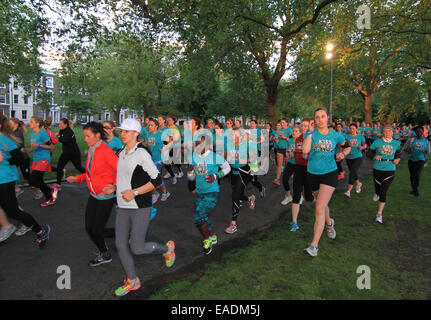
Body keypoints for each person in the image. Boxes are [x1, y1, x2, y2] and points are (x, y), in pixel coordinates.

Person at [102, 118, 175, 297]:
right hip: (122, 205)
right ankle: (133, 280)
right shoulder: (121, 152)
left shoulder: (142, 153)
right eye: (122, 131)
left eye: (127, 131)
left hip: (140, 205)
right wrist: (115, 187)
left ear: (136, 133)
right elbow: (123, 178)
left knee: (137, 247)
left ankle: (167, 249)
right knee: (120, 245)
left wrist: (134, 192)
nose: (123, 134)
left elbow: (156, 180)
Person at [66, 122, 118, 266]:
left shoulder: (106, 151)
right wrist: (78, 178)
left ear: (98, 135)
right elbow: (91, 173)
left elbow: (122, 171)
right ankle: (122, 233)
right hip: (94, 195)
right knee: (90, 228)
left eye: (88, 136)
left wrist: (114, 186)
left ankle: (106, 254)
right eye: (85, 136)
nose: (85, 139)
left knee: (96, 229)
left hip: (106, 197)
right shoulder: (92, 149)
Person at [302, 108, 351, 257]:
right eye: (317, 117)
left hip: (330, 173)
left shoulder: (336, 135)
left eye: (322, 116)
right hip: (313, 174)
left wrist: (343, 153)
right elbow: (305, 151)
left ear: (327, 118)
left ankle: (314, 245)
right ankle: (329, 224)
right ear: (314, 120)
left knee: (319, 208)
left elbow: (348, 146)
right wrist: (309, 132)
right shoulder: (311, 134)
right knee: (322, 205)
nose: (320, 119)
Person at [0, 114, 51, 247]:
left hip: (6, 178)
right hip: (2, 179)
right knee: (9, 208)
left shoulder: (4, 139)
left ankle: (40, 230)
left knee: (13, 210)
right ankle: (8, 227)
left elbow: (19, 157)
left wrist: (4, 159)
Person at [187, 134, 231, 254]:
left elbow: (227, 168)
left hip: (211, 192)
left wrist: (216, 176)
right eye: (196, 144)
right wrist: (190, 171)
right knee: (203, 216)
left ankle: (206, 240)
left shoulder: (214, 157)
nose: (197, 146)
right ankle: (212, 236)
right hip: (199, 192)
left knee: (198, 218)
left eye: (200, 144)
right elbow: (191, 178)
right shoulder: (193, 157)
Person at [369, 124, 401, 224]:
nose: (387, 133)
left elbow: (398, 154)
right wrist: (374, 156)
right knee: (378, 188)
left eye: (389, 131)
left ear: (392, 132)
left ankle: (379, 214)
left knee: (383, 191)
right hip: (378, 168)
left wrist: (397, 159)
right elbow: (369, 153)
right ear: (383, 133)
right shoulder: (377, 142)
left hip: (390, 169)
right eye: (385, 131)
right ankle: (376, 192)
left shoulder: (396, 143)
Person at [23, 116, 57, 207]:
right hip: (36, 159)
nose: (29, 123)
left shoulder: (42, 134)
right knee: (39, 180)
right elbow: (32, 148)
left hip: (43, 159)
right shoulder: (31, 134)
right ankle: (50, 198)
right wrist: (25, 150)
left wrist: (39, 145)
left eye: (31, 122)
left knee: (32, 180)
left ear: (37, 124)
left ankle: (50, 191)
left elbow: (51, 147)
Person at [289, 120, 314, 231]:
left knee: (309, 197)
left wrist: (306, 156)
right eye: (302, 126)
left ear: (309, 127)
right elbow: (296, 153)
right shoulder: (298, 139)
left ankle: (322, 208)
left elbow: (315, 155)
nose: (303, 127)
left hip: (309, 170)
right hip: (298, 168)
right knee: (296, 195)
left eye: (305, 126)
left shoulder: (312, 139)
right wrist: (291, 154)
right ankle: (294, 222)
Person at [52, 118, 85, 191]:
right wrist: (58, 135)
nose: (59, 125)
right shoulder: (62, 130)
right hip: (66, 153)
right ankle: (58, 184)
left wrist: (57, 136)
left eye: (61, 124)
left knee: (78, 167)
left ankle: (90, 176)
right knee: (59, 167)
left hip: (74, 153)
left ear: (66, 125)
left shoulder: (69, 132)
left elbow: (63, 140)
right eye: (59, 123)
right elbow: (61, 136)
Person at [145, 119, 171, 203]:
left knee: (155, 177)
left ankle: (161, 193)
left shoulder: (160, 134)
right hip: (150, 159)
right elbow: (146, 144)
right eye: (149, 125)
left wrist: (164, 149)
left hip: (159, 159)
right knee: (153, 177)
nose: (150, 127)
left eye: (152, 125)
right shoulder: (148, 134)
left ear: (156, 126)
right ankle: (159, 193)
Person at [403, 126, 430, 197]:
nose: (419, 133)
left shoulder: (426, 141)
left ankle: (415, 189)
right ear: (415, 132)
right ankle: (413, 188)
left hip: (421, 159)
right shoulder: (411, 140)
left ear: (422, 132)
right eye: (417, 131)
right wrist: (408, 150)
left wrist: (427, 151)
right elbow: (404, 148)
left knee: (417, 174)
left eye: (420, 131)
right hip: (411, 159)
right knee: (412, 175)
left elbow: (429, 151)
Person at [343, 124, 367, 198]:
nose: (352, 130)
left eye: (353, 128)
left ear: (356, 129)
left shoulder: (360, 136)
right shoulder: (346, 136)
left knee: (352, 172)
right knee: (353, 172)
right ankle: (358, 183)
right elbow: (343, 145)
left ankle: (349, 191)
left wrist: (362, 147)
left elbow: (365, 145)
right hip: (349, 157)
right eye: (350, 128)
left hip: (358, 157)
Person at [9, 118, 30, 196]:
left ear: (16, 125)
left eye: (10, 123)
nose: (9, 124)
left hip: (23, 158)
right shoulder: (12, 132)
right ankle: (17, 188)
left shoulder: (18, 133)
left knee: (27, 177)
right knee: (9, 171)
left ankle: (40, 187)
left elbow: (18, 145)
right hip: (16, 158)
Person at [273, 119, 292, 185]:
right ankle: (277, 180)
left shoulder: (289, 130)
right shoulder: (279, 130)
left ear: (286, 123)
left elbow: (292, 139)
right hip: (280, 148)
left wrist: (285, 138)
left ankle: (291, 174)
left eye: (283, 123)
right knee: (279, 165)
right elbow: (276, 137)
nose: (282, 124)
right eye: (281, 123)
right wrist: (276, 139)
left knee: (288, 163)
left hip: (287, 149)